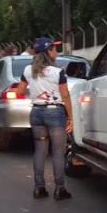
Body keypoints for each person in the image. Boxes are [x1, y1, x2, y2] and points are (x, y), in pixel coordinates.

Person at [16, 37, 74, 200]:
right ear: (48, 52)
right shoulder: (58, 72)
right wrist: (70, 117)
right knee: (57, 152)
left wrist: (35, 94)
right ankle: (59, 189)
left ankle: (39, 188)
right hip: (55, 113)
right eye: (54, 49)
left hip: (36, 113)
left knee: (40, 151)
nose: (56, 51)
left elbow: (20, 91)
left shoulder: (28, 70)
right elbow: (65, 95)